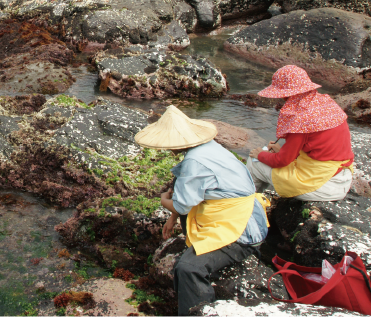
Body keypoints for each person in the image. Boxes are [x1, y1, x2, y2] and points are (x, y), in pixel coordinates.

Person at [136, 105, 269, 317]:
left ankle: (199, 312)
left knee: (188, 269)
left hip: (242, 229)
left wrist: (165, 203)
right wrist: (172, 219)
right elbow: (181, 188)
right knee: (178, 182)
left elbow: (180, 204)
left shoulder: (194, 161)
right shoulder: (209, 147)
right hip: (242, 213)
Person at [247, 65, 354, 201]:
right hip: (342, 177)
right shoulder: (326, 103)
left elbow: (282, 160)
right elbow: (318, 146)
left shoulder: (299, 118)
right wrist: (282, 150)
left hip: (322, 186)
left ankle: (247, 205)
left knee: (253, 162)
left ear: (286, 94)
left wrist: (261, 154)